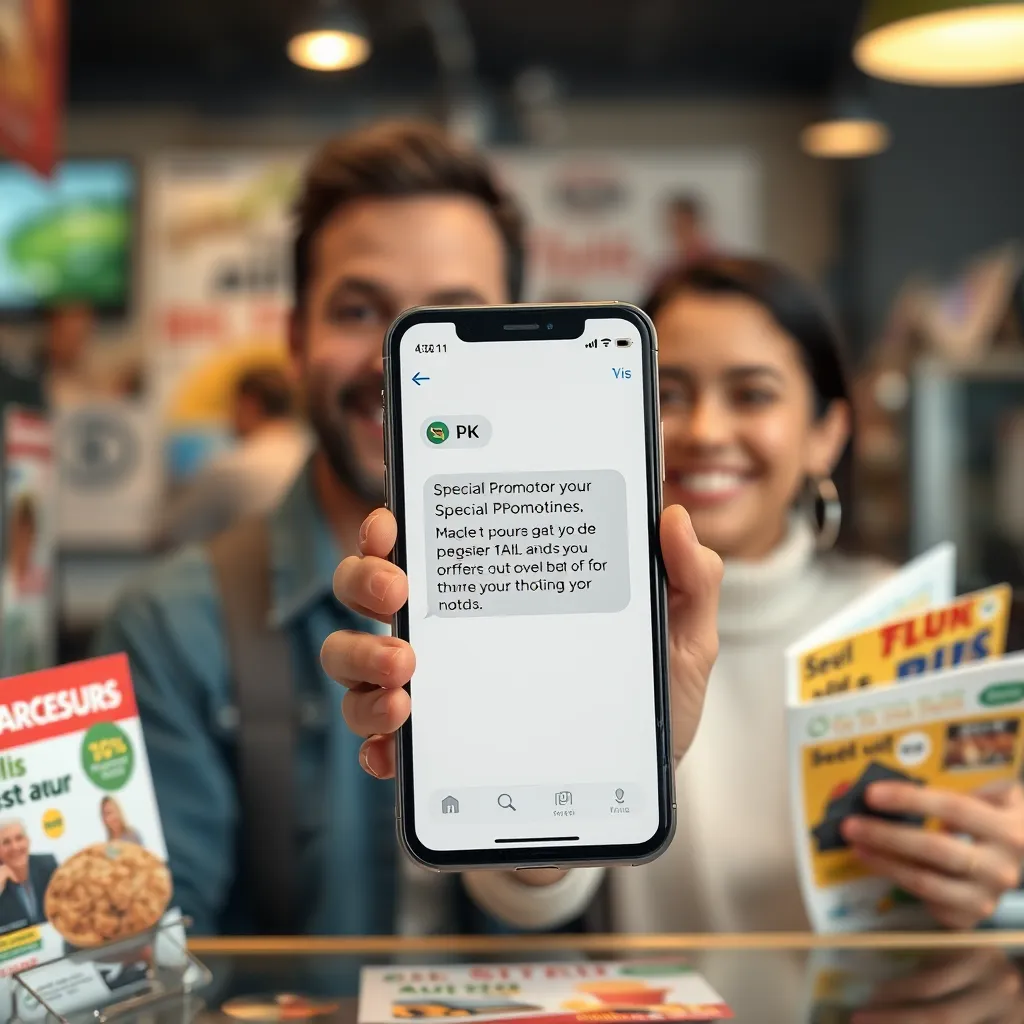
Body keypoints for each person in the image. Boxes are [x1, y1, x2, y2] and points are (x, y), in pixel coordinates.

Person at [92, 121, 726, 937]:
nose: (393, 361)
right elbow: (143, 957)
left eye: (453, 316)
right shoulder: (170, 629)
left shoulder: (602, 587)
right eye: (360, 310)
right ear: (294, 340)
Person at [335, 255, 1024, 934]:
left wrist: (994, 882)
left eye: (752, 394)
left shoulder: (921, 627)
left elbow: (986, 873)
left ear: (826, 433)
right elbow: (536, 899)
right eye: (669, 395)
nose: (703, 433)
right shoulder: (580, 610)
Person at [158, 365, 311, 546]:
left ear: (248, 404)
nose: (229, 417)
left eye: (231, 406)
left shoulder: (230, 469)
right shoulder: (318, 459)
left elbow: (168, 533)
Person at [0, 820, 56, 933]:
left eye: (19, 838)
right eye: (6, 842)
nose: (15, 847)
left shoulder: (48, 864)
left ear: (27, 841)